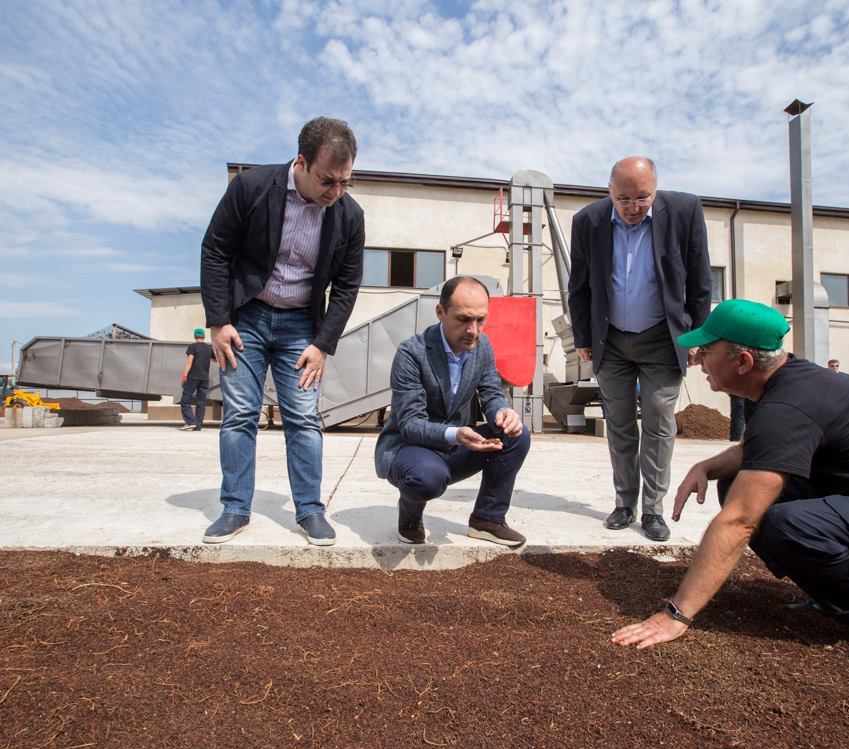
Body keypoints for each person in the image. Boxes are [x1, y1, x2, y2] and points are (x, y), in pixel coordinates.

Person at [612, 299, 849, 664]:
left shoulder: (788, 406)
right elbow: (758, 450)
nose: (698, 360)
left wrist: (676, 615)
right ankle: (837, 593)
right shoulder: (781, 382)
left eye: (706, 351)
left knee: (783, 523)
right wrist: (708, 466)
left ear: (743, 362)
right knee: (736, 483)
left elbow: (739, 522)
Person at [200, 117, 365, 546]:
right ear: (301, 162)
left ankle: (310, 510)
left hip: (301, 328)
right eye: (327, 181)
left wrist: (322, 344)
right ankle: (235, 508)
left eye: (345, 182)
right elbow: (216, 251)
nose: (336, 191)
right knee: (240, 414)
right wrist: (218, 321)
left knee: (304, 419)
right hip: (246, 319)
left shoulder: (349, 215)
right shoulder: (252, 188)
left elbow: (347, 285)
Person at [568, 156, 711, 541]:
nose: (633, 207)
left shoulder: (684, 211)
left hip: (663, 339)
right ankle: (624, 502)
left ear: (656, 190)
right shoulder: (588, 221)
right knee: (618, 423)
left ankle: (652, 510)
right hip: (611, 340)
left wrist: (698, 337)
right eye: (623, 199)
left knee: (659, 422)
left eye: (642, 198)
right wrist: (582, 336)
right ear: (610, 192)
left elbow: (700, 282)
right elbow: (578, 286)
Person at [374, 277, 531, 547]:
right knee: (425, 479)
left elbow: (491, 393)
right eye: (463, 319)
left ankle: (487, 519)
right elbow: (410, 423)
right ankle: (410, 515)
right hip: (409, 447)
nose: (473, 330)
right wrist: (456, 434)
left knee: (516, 435)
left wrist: (502, 412)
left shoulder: (482, 346)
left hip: (456, 444)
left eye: (480, 320)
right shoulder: (412, 353)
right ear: (440, 312)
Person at [179, 328, 213, 431]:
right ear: (204, 336)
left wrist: (184, 376)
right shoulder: (209, 348)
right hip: (205, 379)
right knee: (201, 402)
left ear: (195, 336)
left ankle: (190, 421)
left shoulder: (193, 346)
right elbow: (216, 359)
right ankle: (198, 425)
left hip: (193, 377)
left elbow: (189, 362)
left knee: (185, 400)